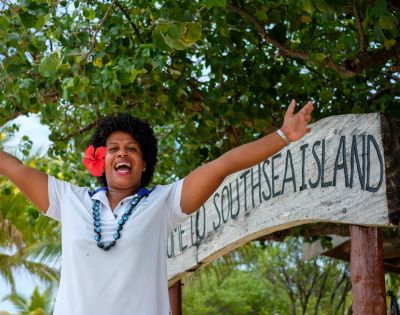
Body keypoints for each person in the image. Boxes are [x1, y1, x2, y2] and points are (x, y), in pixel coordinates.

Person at [0, 99, 313, 315]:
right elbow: (14, 168)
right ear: (100, 160)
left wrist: (283, 135)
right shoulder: (70, 200)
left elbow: (224, 165)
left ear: (144, 161)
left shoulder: (164, 202)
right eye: (114, 149)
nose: (122, 154)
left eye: (132, 149)